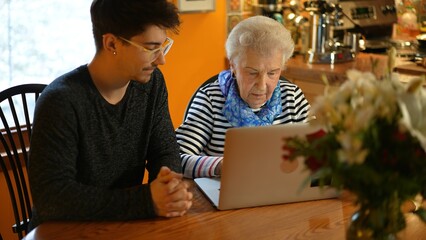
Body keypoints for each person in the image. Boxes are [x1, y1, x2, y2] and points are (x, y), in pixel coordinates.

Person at [28, 0, 192, 230]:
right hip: (64, 232)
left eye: (163, 46)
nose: (161, 59)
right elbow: (53, 199)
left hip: (123, 224)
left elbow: (164, 149)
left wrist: (169, 185)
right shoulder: (61, 101)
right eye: (151, 48)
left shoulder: (151, 85)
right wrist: (146, 200)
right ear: (112, 43)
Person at [176, 16, 311, 179]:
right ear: (232, 65)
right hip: (223, 196)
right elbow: (175, 159)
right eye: (252, 72)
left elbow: (319, 151)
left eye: (272, 73)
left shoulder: (293, 97)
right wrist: (221, 166)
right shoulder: (210, 99)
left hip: (283, 195)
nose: (262, 85)